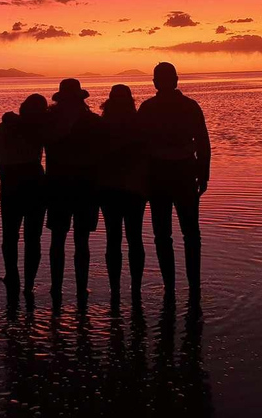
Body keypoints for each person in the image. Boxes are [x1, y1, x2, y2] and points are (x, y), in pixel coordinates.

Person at [138, 62, 211, 299]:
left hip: (168, 174)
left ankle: (173, 287)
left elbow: (202, 142)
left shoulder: (149, 108)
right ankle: (191, 287)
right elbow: (203, 143)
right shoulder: (188, 106)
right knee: (188, 233)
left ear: (156, 82)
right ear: (176, 80)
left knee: (167, 235)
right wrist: (204, 172)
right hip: (178, 174)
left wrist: (203, 172)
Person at [44, 78, 102, 307]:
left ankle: (61, 287)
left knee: (63, 239)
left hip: (66, 187)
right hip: (80, 187)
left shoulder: (51, 121)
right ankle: (76, 288)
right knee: (77, 240)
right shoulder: (90, 121)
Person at [0, 94, 48, 302]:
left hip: (10, 184)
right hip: (34, 183)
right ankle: (29, 283)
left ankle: (12, 276)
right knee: (32, 237)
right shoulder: (39, 131)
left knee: (10, 235)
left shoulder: (4, 130)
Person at [98, 84, 148, 302]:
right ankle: (133, 289)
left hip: (112, 188)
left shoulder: (101, 125)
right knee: (133, 238)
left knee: (114, 238)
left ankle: (116, 290)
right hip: (132, 188)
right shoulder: (139, 124)